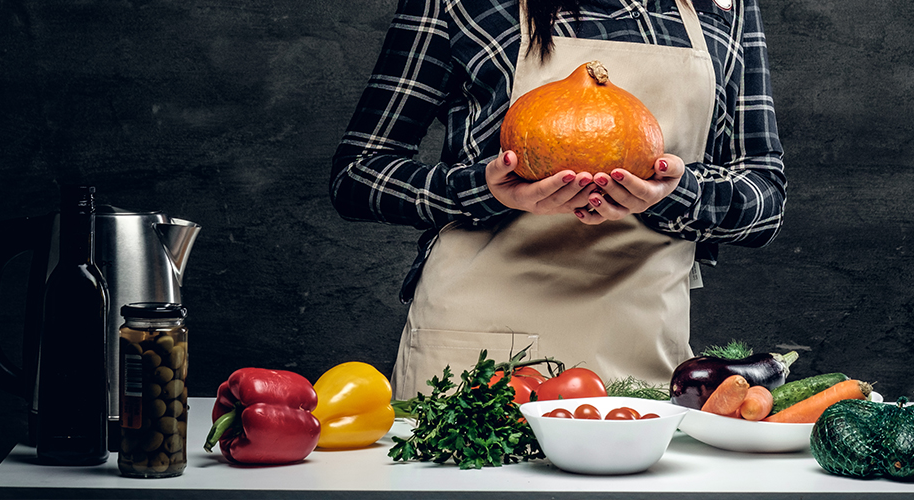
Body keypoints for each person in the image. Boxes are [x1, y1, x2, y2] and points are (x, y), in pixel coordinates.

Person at [330, 0, 787, 398]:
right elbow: (357, 174)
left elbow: (765, 200)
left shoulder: (725, 6)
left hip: (644, 357)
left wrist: (674, 193)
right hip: (479, 355)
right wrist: (482, 190)